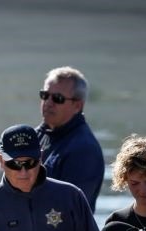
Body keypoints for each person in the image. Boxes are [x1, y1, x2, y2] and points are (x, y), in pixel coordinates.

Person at [35, 66, 105, 212]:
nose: (48, 102)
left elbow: (67, 211)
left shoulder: (84, 151)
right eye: (45, 95)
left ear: (77, 105)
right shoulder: (35, 136)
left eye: (57, 98)